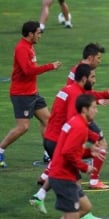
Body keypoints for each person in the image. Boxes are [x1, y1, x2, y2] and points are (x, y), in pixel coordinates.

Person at [30, 64, 109, 219]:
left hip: (51, 138)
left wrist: (104, 95)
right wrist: (94, 139)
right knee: (74, 178)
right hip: (58, 140)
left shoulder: (69, 89)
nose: (94, 80)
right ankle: (83, 212)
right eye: (93, 77)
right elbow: (74, 121)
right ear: (84, 78)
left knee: (57, 170)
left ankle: (40, 195)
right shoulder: (75, 94)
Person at [39, 94, 105, 219]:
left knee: (86, 207)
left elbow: (70, 149)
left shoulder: (74, 122)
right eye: (94, 108)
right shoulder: (80, 127)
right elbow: (68, 153)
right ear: (84, 109)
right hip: (63, 177)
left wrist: (89, 152)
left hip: (59, 174)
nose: (96, 111)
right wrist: (85, 167)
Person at [0, 21, 61, 168]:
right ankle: (0, 149)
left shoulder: (30, 47)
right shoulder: (22, 48)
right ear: (30, 34)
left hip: (32, 93)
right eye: (38, 33)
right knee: (23, 127)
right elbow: (28, 71)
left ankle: (49, 154)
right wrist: (50, 66)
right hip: (21, 94)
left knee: (48, 120)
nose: (40, 35)